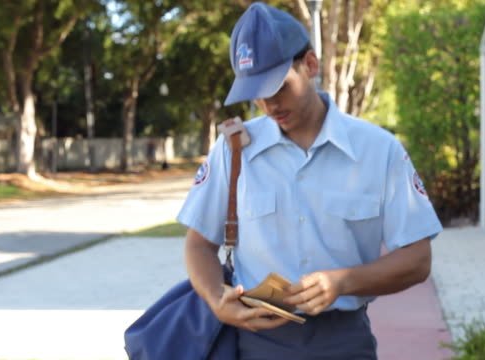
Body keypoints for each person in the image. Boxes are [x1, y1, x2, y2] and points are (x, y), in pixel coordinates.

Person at [176, 2, 443, 359]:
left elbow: (418, 259)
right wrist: (215, 299)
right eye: (256, 93)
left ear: (310, 65)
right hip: (256, 341)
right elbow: (198, 245)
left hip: (344, 342)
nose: (268, 105)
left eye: (278, 87)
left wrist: (344, 281)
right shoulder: (232, 152)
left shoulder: (379, 151)